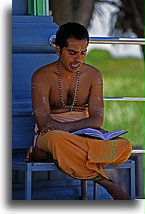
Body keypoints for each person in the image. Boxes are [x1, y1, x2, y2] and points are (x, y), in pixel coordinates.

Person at [26, 22, 132, 200]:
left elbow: (97, 120)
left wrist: (71, 128)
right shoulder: (42, 75)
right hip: (52, 136)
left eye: (83, 52)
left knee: (124, 146)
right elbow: (44, 123)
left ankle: (52, 156)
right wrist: (67, 130)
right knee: (58, 140)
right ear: (58, 50)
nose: (79, 59)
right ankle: (108, 184)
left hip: (84, 136)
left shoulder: (93, 75)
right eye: (72, 53)